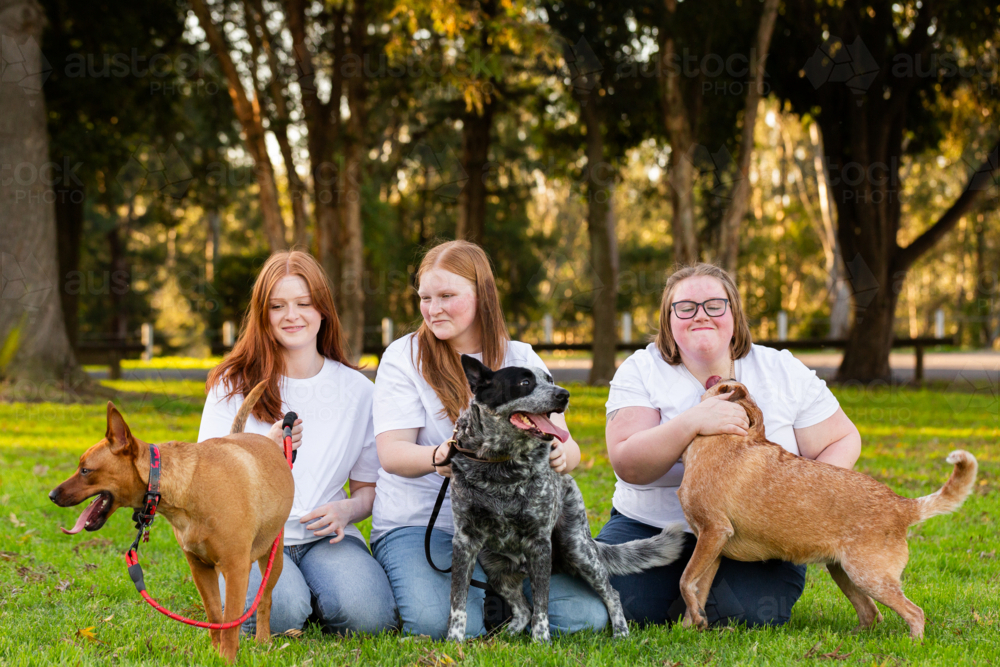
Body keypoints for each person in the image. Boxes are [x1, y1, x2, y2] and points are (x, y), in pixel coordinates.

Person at [596, 263, 862, 627]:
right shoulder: (640, 369)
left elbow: (844, 439)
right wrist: (694, 420)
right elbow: (629, 463)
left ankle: (693, 598)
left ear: (734, 314)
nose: (700, 315)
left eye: (714, 305)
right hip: (651, 526)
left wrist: (802, 496)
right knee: (610, 606)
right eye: (685, 307)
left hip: (755, 534)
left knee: (742, 615)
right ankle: (666, 594)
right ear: (668, 321)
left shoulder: (781, 369)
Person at [371, 240, 609, 639]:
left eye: (447, 295)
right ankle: (481, 595)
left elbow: (567, 444)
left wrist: (562, 455)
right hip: (420, 524)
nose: (434, 309)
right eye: (425, 298)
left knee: (583, 618)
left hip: (513, 528)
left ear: (482, 295)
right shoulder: (404, 356)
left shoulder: (522, 358)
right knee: (433, 623)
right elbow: (391, 453)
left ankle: (498, 592)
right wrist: (439, 456)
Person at [198, 250, 397, 636]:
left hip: (327, 538)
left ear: (323, 310)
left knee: (369, 618)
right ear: (263, 314)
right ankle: (296, 598)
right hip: (251, 541)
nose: (292, 316)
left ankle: (316, 593)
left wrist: (347, 511)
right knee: (281, 613)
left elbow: (368, 488)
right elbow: (207, 483)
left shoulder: (358, 391)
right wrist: (262, 453)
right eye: (278, 306)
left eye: (304, 303)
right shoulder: (231, 385)